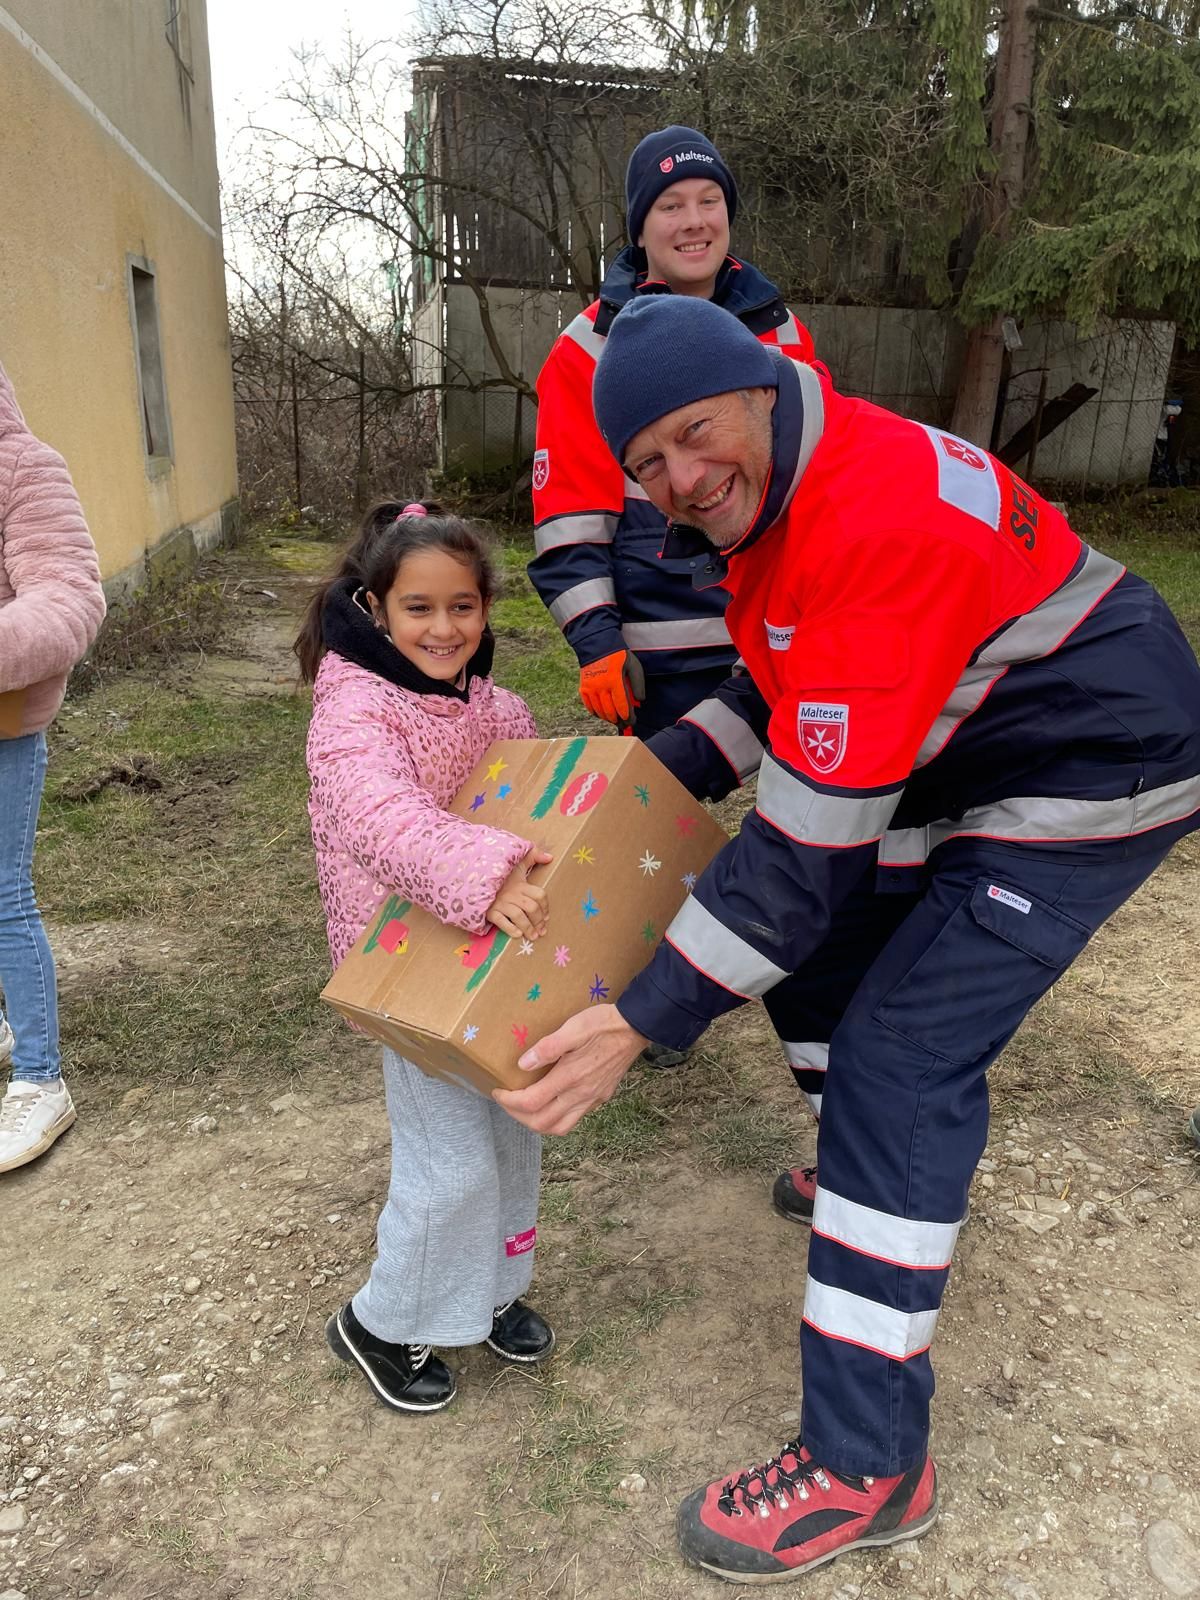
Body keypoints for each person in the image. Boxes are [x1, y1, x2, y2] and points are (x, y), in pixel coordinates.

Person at [495, 296, 1200, 1584]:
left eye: (696, 435)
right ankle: (870, 1174)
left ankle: (866, 1464)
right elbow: (770, 691)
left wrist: (641, 1020)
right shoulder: (790, 481)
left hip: (1093, 763)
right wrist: (631, 794)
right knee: (816, 956)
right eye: (646, 465)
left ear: (757, 386)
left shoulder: (869, 518)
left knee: (899, 1056)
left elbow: (798, 859)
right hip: (982, 736)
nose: (681, 481)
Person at [297, 500, 557, 1413]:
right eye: (419, 608)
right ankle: (384, 1318)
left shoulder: (498, 707)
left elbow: (536, 799)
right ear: (375, 607)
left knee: (512, 1135)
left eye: (463, 607)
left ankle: (486, 1296)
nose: (443, 628)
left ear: (486, 610)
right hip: (407, 970)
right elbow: (379, 818)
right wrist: (486, 873)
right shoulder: (353, 711)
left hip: (491, 965)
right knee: (451, 1165)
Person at [529, 125, 814, 741]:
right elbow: (569, 514)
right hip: (663, 643)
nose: (694, 221)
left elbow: (817, 479)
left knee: (809, 804)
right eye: (670, 205)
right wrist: (597, 637)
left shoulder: (783, 334)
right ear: (639, 228)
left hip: (779, 629)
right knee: (660, 819)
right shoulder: (586, 351)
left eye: (709, 201)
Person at [0, 361, 105, 1174]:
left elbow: (68, 595)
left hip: (4, 728)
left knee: (5, 894)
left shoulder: (26, 467)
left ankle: (40, 1078)